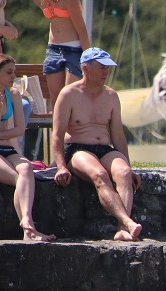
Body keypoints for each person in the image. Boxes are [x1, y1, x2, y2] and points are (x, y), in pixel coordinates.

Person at [52, 47, 142, 241]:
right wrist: (60, 166)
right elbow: (57, 135)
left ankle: (122, 230)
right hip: (77, 148)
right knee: (99, 174)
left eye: (107, 68)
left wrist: (129, 165)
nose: (105, 72)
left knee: (124, 173)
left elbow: (118, 136)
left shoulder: (111, 96)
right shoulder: (68, 94)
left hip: (104, 148)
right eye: (101, 67)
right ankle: (127, 222)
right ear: (85, 68)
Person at [0, 54, 56, 241]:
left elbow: (19, 129)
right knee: (18, 179)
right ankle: (29, 228)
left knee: (26, 168)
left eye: (14, 72)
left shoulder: (14, 94)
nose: (13, 76)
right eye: (9, 72)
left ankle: (27, 223)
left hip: (8, 148)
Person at [36, 0, 90, 111]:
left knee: (70, 96)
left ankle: (71, 128)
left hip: (73, 49)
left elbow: (82, 31)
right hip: (53, 49)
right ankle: (57, 128)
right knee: (56, 100)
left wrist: (88, 60)